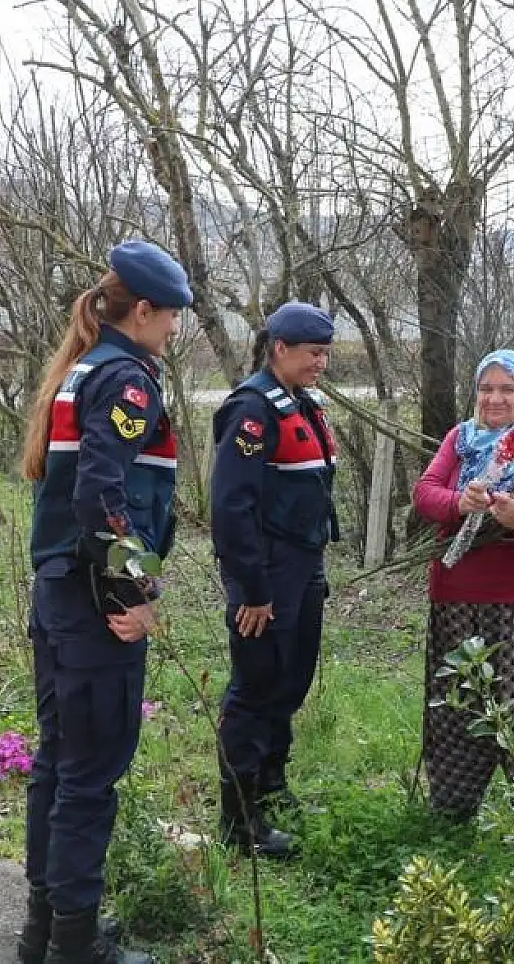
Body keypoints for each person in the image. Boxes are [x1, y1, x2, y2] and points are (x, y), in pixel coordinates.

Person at [15, 241, 191, 964]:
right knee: (89, 776)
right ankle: (76, 945)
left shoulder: (81, 371)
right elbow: (101, 500)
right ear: (143, 310)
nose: (176, 329)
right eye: (172, 315)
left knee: (59, 766)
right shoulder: (126, 380)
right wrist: (137, 589)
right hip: (96, 608)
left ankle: (47, 930)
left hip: (59, 596)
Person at [410, 349, 514, 821]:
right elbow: (426, 494)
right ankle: (450, 818)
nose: (495, 398)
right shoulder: (461, 441)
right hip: (457, 603)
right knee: (455, 714)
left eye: (509, 389)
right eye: (487, 388)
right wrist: (459, 503)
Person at [211, 301, 338, 859]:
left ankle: (271, 788)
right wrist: (253, 592)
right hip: (265, 580)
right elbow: (232, 509)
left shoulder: (300, 406)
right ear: (280, 348)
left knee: (288, 686)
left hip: (302, 570)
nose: (322, 364)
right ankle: (239, 822)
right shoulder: (253, 411)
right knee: (254, 693)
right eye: (314, 353)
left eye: (326, 353)